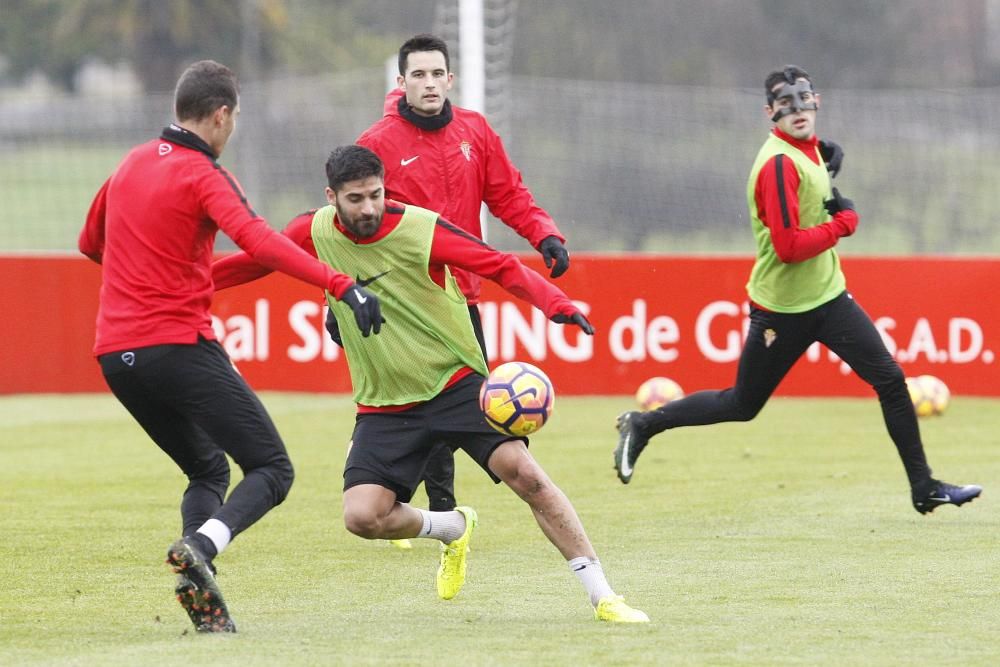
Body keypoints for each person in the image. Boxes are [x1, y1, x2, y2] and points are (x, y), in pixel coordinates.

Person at [211, 144, 648, 623]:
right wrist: (182, 283)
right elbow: (254, 261)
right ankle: (452, 527)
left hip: (455, 383)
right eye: (355, 199)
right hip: (384, 404)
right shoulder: (311, 232)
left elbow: (497, 264)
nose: (369, 208)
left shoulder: (419, 229)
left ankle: (603, 595)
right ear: (331, 197)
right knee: (362, 517)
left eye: (376, 195)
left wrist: (554, 302)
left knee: (526, 476)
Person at [77, 60, 383, 633]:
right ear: (220, 116)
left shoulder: (129, 164)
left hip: (116, 356)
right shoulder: (203, 175)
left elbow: (90, 243)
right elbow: (259, 242)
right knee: (272, 469)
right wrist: (341, 284)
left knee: (206, 470)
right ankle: (201, 545)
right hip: (177, 345)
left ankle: (202, 587)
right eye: (234, 118)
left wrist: (148, 269)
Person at [612, 65, 982, 515]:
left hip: (829, 297)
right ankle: (643, 425)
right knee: (742, 404)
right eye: (784, 103)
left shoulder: (805, 149)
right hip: (783, 310)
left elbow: (809, 172)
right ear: (770, 112)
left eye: (803, 98)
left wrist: (825, 153)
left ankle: (924, 488)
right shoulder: (777, 166)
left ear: (817, 100)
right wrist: (842, 225)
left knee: (889, 378)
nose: (797, 108)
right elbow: (787, 248)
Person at [325, 34, 571, 536]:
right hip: (400, 301)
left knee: (473, 409)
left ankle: (451, 513)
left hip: (463, 297)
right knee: (421, 408)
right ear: (402, 82)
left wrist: (544, 233)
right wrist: (338, 296)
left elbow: (508, 194)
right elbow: (347, 230)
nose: (429, 83)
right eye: (419, 74)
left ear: (450, 79)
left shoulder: (474, 131)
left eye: (437, 73)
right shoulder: (377, 144)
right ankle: (443, 519)